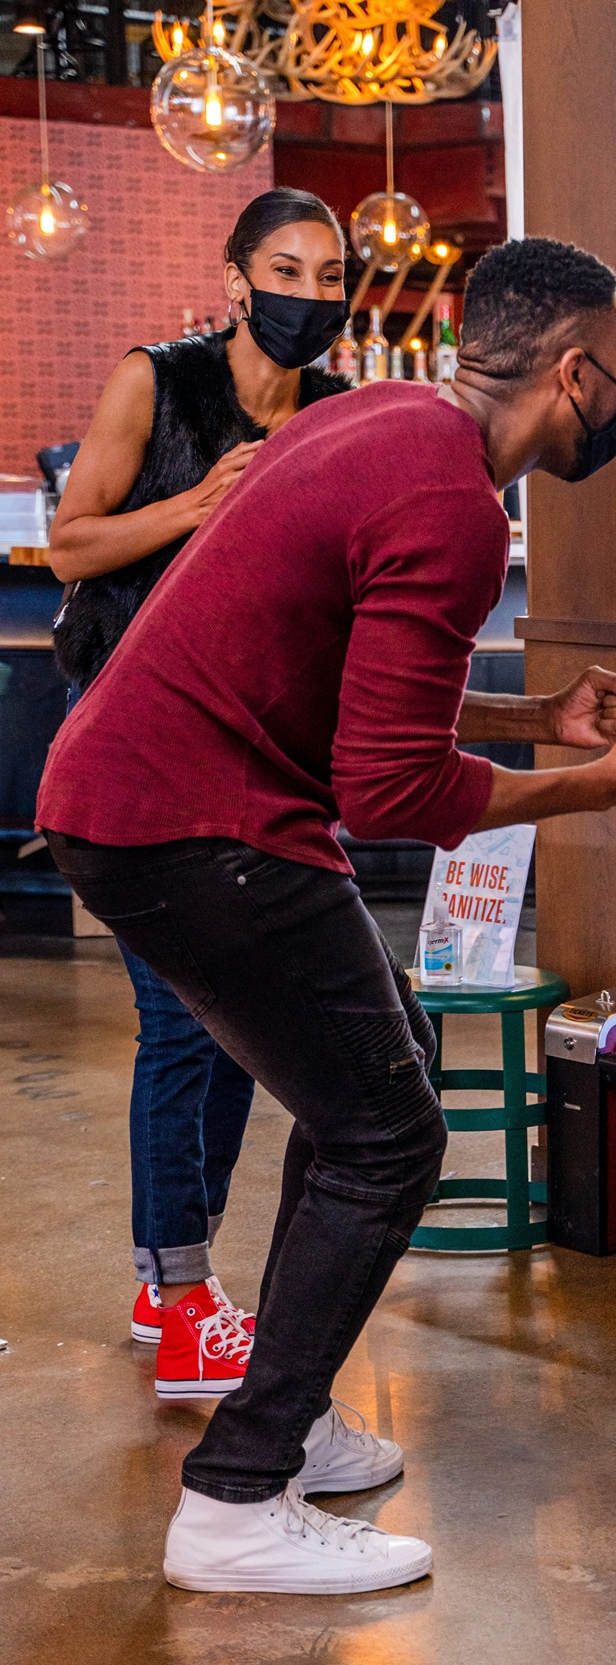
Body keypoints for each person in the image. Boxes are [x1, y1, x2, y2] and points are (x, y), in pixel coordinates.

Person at [38, 237, 616, 1596]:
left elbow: (351, 685)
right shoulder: (455, 507)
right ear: (574, 373)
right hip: (194, 824)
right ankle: (233, 1499)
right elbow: (388, 785)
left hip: (138, 798)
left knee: (369, 1086)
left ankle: (284, 1414)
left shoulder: (381, 422)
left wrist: (534, 721)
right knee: (391, 1134)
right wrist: (598, 783)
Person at [48, 188, 353, 1403]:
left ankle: (174, 1275)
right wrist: (197, 502)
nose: (309, 297)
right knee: (183, 1015)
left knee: (235, 1023)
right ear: (237, 278)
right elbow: (70, 544)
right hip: (127, 743)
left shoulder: (334, 412)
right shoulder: (156, 382)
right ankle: (178, 1296)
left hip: (250, 750)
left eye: (331, 277)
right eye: (287, 270)